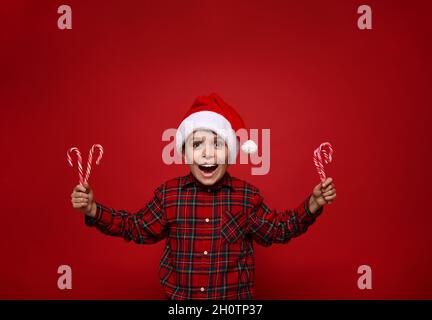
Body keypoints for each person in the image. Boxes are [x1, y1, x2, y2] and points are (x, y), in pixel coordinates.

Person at [70, 93, 337, 300]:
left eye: (218, 144)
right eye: (197, 144)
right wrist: (95, 210)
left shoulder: (246, 197)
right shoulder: (169, 195)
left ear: (230, 155)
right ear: (185, 154)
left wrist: (312, 205)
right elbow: (137, 228)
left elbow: (279, 229)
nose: (208, 154)